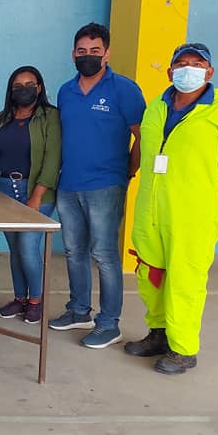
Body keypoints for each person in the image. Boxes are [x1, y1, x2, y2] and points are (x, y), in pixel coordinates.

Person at [126, 43, 218, 374]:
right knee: (150, 274)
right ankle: (158, 333)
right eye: (182, 63)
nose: (189, 69)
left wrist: (203, 192)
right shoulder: (157, 107)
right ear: (170, 71)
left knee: (185, 280)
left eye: (197, 64)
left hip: (192, 213)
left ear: (209, 72)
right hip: (151, 208)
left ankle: (183, 349)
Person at [48, 23, 146, 349]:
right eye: (81, 51)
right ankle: (79, 311)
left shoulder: (124, 90)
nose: (87, 56)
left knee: (103, 254)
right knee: (74, 251)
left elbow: (142, 136)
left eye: (94, 51)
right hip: (69, 184)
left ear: (107, 53)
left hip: (106, 185)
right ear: (73, 54)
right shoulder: (66, 91)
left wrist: (128, 171)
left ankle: (109, 323)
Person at [0, 66, 61, 325]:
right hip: (3, 190)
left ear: (39, 88)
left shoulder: (50, 117)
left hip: (35, 191)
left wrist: (37, 195)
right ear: (11, 91)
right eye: (18, 86)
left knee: (28, 247)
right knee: (15, 249)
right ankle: (19, 298)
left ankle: (35, 301)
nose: (24, 90)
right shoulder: (2, 119)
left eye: (29, 85)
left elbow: (53, 158)